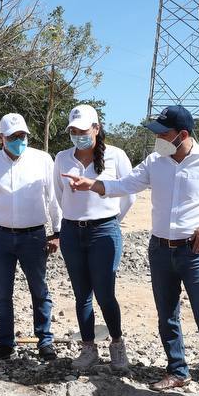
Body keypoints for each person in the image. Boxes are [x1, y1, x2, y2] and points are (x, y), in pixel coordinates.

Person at [64, 104, 199, 396]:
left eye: (163, 133)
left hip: (196, 251)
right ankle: (177, 370)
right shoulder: (154, 162)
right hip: (160, 250)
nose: (157, 138)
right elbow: (125, 185)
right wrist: (91, 184)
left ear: (183, 134)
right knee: (167, 315)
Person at [0, 113, 62, 362]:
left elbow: (54, 198)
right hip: (1, 237)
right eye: (13, 137)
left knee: (39, 289)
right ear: (1, 138)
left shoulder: (42, 160)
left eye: (22, 136)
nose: (19, 140)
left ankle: (44, 340)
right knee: (1, 293)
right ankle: (5, 342)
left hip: (34, 236)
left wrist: (57, 231)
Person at [54, 104, 134, 371]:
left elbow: (128, 194)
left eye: (83, 130)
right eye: (73, 131)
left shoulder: (116, 156)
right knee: (81, 294)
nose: (78, 135)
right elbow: (59, 195)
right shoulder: (62, 158)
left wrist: (110, 220)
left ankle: (117, 344)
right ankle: (88, 348)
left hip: (103, 231)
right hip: (72, 232)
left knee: (105, 292)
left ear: (96, 129)